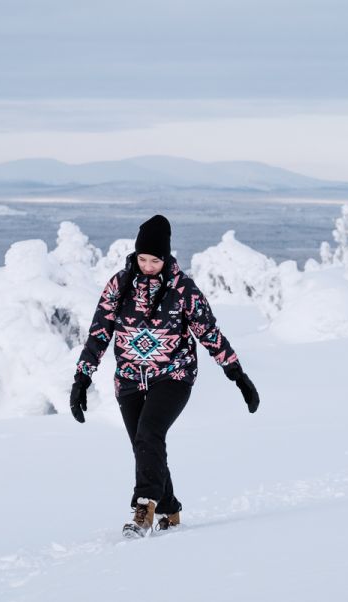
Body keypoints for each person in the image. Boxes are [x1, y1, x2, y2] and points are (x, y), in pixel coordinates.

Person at [69, 214, 260, 538]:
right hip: (129, 379)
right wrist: (81, 379)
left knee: (149, 434)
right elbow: (99, 333)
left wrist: (237, 374)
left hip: (173, 375)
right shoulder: (119, 285)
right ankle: (170, 509)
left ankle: (144, 509)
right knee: (145, 445)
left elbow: (209, 333)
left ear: (166, 257)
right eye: (142, 258)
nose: (147, 265)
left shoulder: (182, 289)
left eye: (154, 260)